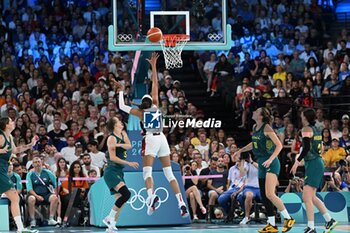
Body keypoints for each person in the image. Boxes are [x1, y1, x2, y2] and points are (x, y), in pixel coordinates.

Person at [114, 52, 189, 217]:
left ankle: (151, 196)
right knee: (169, 173)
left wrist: (120, 91)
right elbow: (155, 82)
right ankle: (181, 203)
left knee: (147, 172)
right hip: (163, 138)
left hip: (150, 139)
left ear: (142, 103)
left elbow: (121, 105)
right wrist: (153, 66)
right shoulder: (156, 106)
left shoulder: (138, 112)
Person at [234, 107, 295, 233]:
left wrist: (271, 159)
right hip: (262, 162)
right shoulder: (255, 127)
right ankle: (271, 225)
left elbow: (279, 145)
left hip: (271, 163)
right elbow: (253, 143)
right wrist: (240, 150)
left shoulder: (267, 127)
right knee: (264, 195)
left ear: (261, 116)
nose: (253, 112)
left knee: (270, 194)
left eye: (256, 111)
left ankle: (288, 218)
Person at [291, 109, 337, 233]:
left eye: (302, 114)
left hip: (313, 163)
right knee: (312, 197)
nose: (300, 115)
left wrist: (297, 161)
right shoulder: (316, 128)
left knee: (306, 197)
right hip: (316, 162)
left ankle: (311, 227)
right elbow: (320, 146)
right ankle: (329, 220)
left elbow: (305, 148)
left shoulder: (306, 129)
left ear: (305, 116)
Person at [0, 117, 39, 233]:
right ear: (6, 125)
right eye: (11, 121)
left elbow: (16, 150)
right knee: (14, 197)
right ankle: (20, 228)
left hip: (3, 170)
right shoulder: (1, 137)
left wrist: (31, 144)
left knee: (14, 198)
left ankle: (20, 228)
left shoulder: (9, 137)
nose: (13, 122)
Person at [102, 117, 139, 232]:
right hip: (111, 170)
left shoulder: (123, 134)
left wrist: (118, 145)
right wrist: (129, 163)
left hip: (119, 171)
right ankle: (109, 217)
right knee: (126, 194)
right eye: (118, 121)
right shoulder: (111, 138)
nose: (121, 122)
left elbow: (129, 146)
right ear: (114, 125)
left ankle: (111, 226)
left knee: (120, 200)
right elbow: (112, 158)